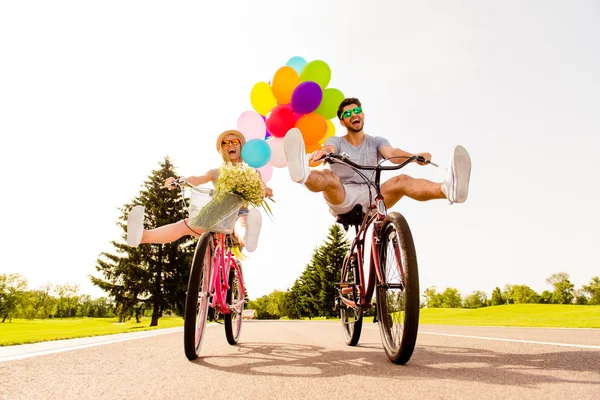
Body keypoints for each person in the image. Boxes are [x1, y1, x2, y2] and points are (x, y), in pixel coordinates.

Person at [283, 97, 471, 216]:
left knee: (402, 180)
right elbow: (329, 148)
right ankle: (303, 174)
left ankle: (448, 189)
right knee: (329, 176)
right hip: (344, 195)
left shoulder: (376, 141)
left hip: (374, 195)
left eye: (357, 111)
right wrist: (323, 153)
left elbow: (393, 155)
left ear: (363, 115)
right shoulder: (337, 141)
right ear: (342, 121)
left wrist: (414, 156)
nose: (353, 115)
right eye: (347, 113)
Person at [126, 129, 273, 252]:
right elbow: (197, 179)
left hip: (238, 211)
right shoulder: (217, 172)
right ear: (222, 149)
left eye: (234, 142)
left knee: (241, 223)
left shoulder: (251, 172)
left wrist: (265, 190)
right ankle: (143, 236)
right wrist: (179, 181)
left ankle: (248, 238)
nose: (230, 145)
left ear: (241, 146)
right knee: (185, 225)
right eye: (225, 143)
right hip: (215, 213)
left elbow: (262, 185)